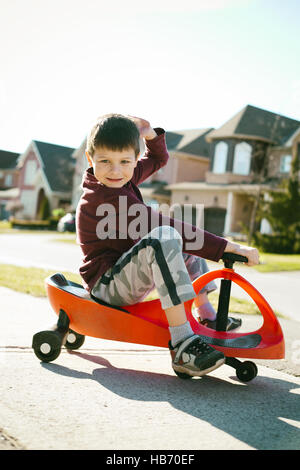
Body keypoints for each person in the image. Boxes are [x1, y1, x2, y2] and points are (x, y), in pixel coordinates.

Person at [76, 114, 259, 378]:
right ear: (90, 159)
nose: (115, 170)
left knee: (179, 242)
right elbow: (160, 225)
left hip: (125, 273)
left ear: (133, 160)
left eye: (125, 161)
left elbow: (159, 159)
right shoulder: (104, 197)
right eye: (105, 161)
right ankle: (182, 343)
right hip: (107, 285)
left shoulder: (120, 179)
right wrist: (226, 247)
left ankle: (206, 313)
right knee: (168, 236)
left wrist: (150, 134)